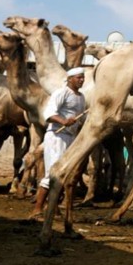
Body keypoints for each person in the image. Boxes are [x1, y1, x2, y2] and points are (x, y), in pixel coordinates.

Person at [30, 67, 87, 219]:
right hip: (57, 136)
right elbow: (48, 114)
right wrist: (64, 121)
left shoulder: (81, 97)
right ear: (70, 79)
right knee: (53, 174)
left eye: (83, 78)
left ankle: (53, 208)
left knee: (64, 174)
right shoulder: (61, 93)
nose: (81, 80)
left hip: (71, 137)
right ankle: (37, 209)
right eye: (78, 78)